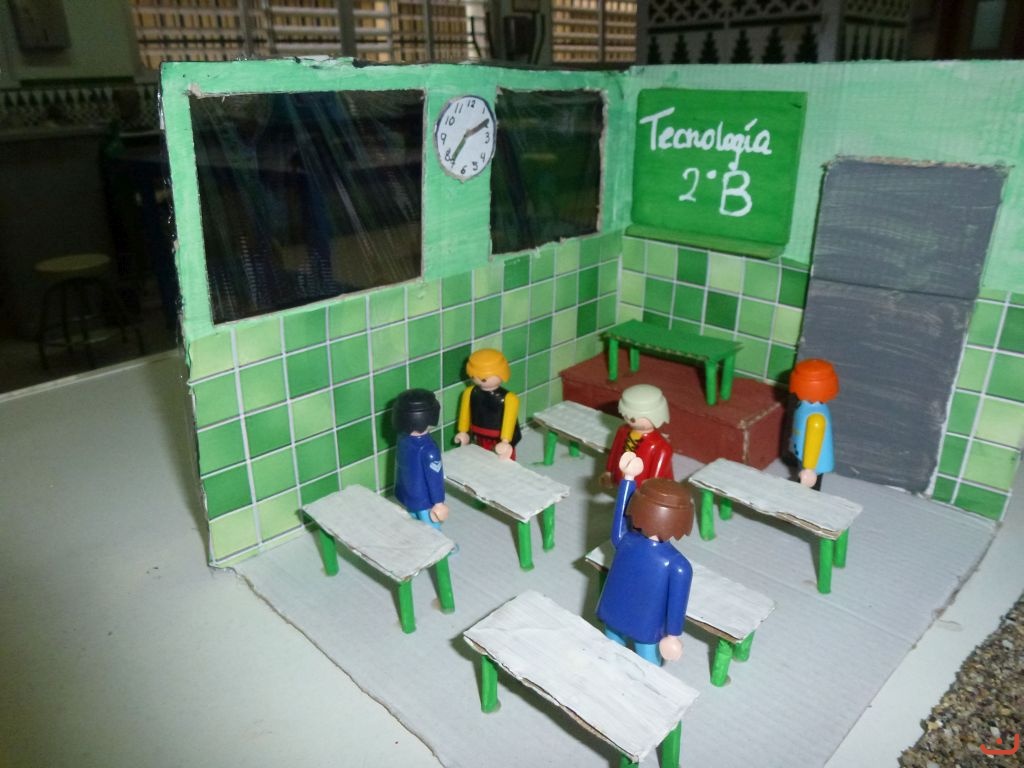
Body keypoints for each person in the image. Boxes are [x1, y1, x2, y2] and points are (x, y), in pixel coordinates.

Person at [596, 453, 693, 666]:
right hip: (625, 616)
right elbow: (620, 517)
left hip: (642, 623)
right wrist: (628, 479)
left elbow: (677, 604)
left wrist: (672, 635)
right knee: (613, 655)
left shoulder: (676, 565)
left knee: (647, 662)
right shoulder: (628, 542)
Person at [393, 388, 448, 530]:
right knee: (432, 529)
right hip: (424, 500)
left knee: (414, 526)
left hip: (407, 495)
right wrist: (439, 503)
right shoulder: (429, 449)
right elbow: (435, 478)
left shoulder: (402, 440)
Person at [601, 383, 674, 488]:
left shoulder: (661, 446)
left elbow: (657, 475)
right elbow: (614, 452)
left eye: (632, 418)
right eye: (625, 415)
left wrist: (648, 490)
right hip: (620, 478)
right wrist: (609, 471)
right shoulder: (622, 431)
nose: (628, 419)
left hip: (640, 487)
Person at [454, 348, 521, 460]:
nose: (478, 379)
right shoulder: (469, 392)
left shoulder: (509, 398)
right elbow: (464, 414)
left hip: (499, 438)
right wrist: (463, 431)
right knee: (479, 459)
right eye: (473, 376)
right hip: (478, 436)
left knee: (503, 463)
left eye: (484, 379)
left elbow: (509, 422)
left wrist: (505, 441)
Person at [789, 358, 839, 491]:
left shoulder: (816, 417)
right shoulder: (806, 407)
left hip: (812, 462)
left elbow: (814, 443)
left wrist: (809, 469)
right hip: (804, 457)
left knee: (809, 489)